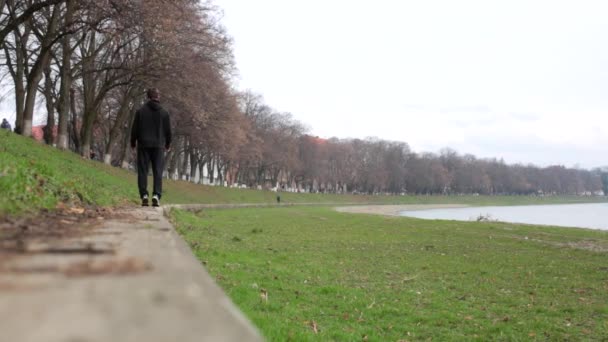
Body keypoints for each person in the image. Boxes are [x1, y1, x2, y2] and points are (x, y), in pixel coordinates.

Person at [130, 88, 172, 207]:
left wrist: (133, 143)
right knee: (157, 172)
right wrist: (168, 144)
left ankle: (144, 195)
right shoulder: (164, 113)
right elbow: (168, 131)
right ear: (158, 97)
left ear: (147, 97)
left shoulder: (140, 112)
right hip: (158, 146)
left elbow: (135, 129)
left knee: (143, 171)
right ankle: (156, 195)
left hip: (143, 145)